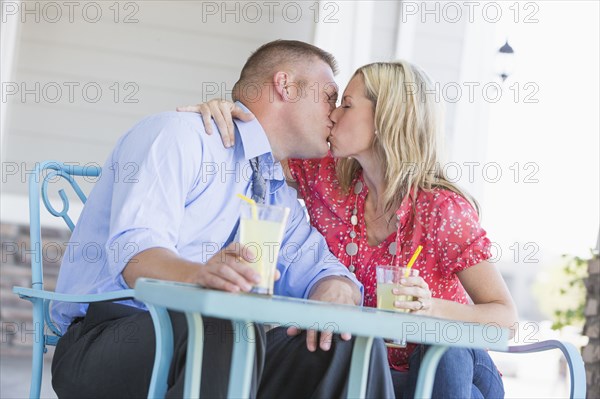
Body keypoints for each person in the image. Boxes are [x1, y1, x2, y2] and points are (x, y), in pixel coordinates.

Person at [50, 40, 395, 398]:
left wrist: (336, 293)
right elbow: (136, 254)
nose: (334, 113)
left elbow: (322, 270)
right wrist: (200, 276)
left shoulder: (278, 194)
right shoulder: (181, 136)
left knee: (350, 343)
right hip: (112, 337)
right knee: (225, 322)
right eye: (329, 96)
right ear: (286, 86)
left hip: (229, 346)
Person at [181, 60, 519, 398]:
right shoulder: (325, 177)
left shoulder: (442, 211)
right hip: (374, 371)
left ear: (386, 118)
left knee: (445, 350)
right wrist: (229, 112)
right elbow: (261, 140)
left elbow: (505, 318)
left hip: (453, 367)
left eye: (346, 104)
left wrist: (430, 310)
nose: (333, 115)